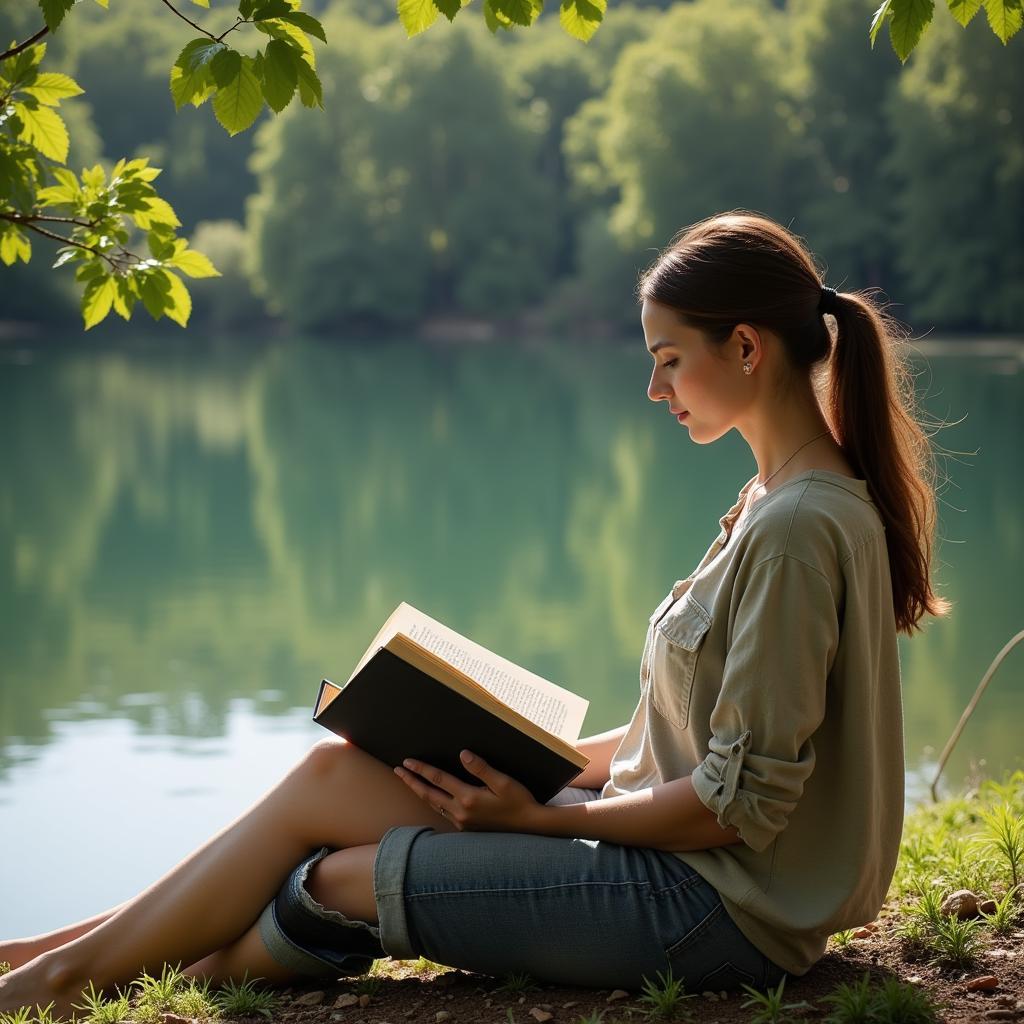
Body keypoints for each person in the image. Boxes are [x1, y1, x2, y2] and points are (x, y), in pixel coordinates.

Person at [0, 211, 946, 1017]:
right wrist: (525, 759)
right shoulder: (767, 501)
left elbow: (738, 807)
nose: (654, 389)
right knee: (336, 775)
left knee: (338, 877)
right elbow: (689, 736)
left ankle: (86, 984)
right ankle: (49, 959)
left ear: (747, 346)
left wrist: (533, 822)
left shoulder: (796, 527)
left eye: (668, 361)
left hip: (718, 913)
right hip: (674, 859)